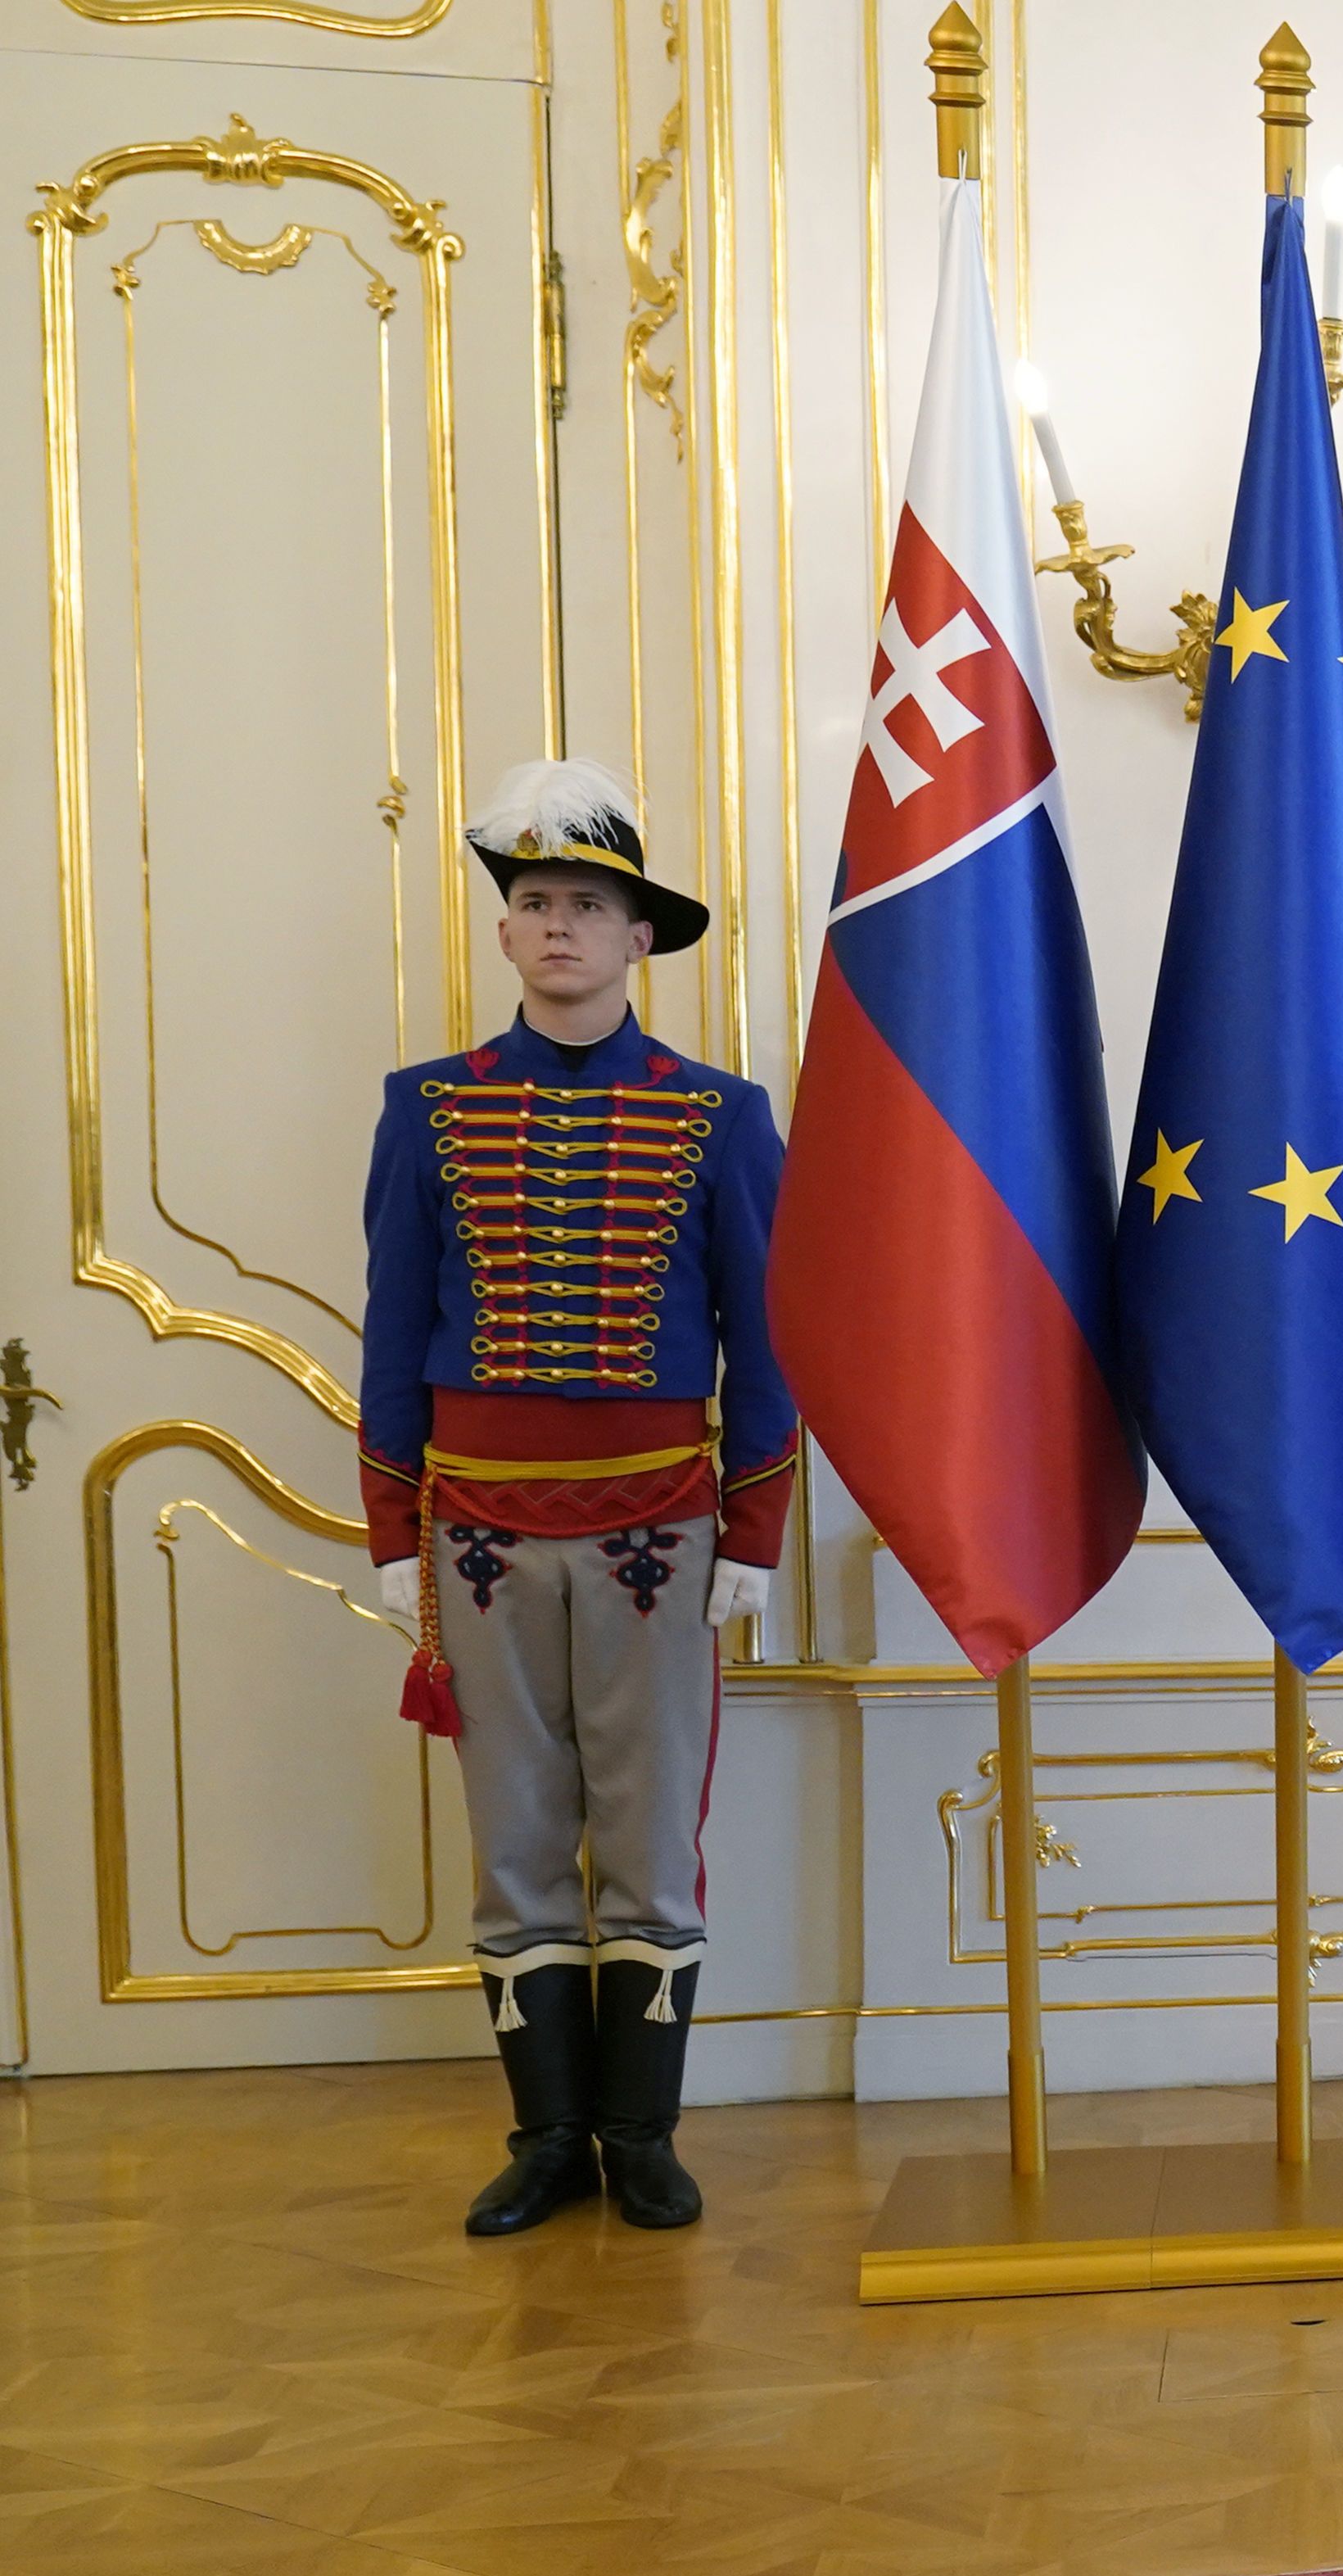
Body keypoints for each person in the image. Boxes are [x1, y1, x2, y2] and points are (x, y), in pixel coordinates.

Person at [360, 762, 798, 2236]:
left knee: (651, 1829)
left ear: (638, 937)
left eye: (590, 905)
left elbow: (765, 1335)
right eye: (537, 901)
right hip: (476, 1535)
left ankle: (640, 2135)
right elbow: (393, 1327)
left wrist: (754, 1530)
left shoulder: (721, 1116)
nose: (560, 925)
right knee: (516, 1839)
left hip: (657, 1532)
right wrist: (390, 1529)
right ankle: (547, 2137)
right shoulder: (426, 1110)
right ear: (505, 933)